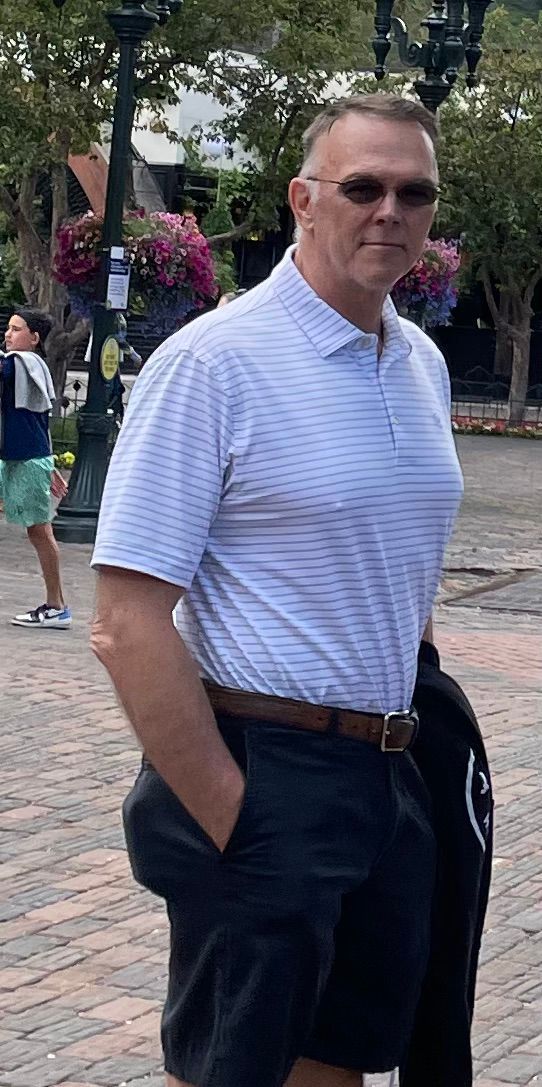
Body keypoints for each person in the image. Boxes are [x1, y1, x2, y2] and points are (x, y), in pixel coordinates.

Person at [91, 94, 465, 1087]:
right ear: (303, 199)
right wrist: (233, 814)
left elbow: (395, 561)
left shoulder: (420, 363)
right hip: (265, 764)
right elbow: (127, 621)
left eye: (414, 193)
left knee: (339, 1065)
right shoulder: (215, 364)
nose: (389, 210)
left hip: (387, 772)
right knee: (234, 1070)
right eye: (362, 187)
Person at [0, 308, 72, 628]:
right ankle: (57, 606)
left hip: (25, 460)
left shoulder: (20, 363)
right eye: (8, 328)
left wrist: (45, 463)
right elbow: (42, 422)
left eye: (16, 329)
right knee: (40, 531)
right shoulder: (32, 367)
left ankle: (56, 607)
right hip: (20, 457)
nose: (8, 334)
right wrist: (52, 462)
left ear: (34, 338)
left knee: (40, 531)